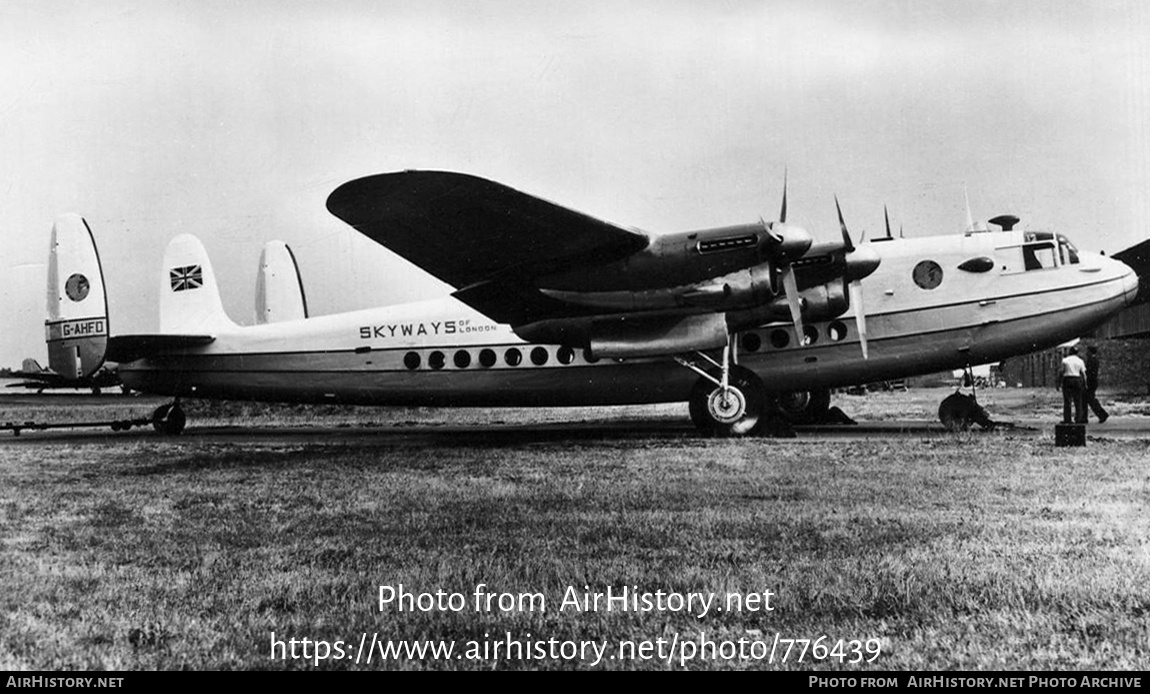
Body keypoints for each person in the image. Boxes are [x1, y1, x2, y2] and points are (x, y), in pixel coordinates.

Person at [1058, 347, 1087, 424]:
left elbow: (1061, 372)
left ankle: (1067, 419)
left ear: (1070, 352)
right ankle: (1078, 419)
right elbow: (1083, 374)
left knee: (1067, 401)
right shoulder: (1080, 361)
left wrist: (1058, 383)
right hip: (1077, 380)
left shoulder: (1065, 360)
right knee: (1078, 400)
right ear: (1077, 353)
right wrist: (1085, 384)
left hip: (1067, 379)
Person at [1084, 345, 1109, 423]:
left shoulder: (1091, 360)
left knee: (1090, 399)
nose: (1086, 353)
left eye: (1087, 351)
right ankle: (1101, 414)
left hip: (1091, 382)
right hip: (1092, 381)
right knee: (1089, 399)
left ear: (1090, 352)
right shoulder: (1094, 360)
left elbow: (1089, 372)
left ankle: (1102, 414)